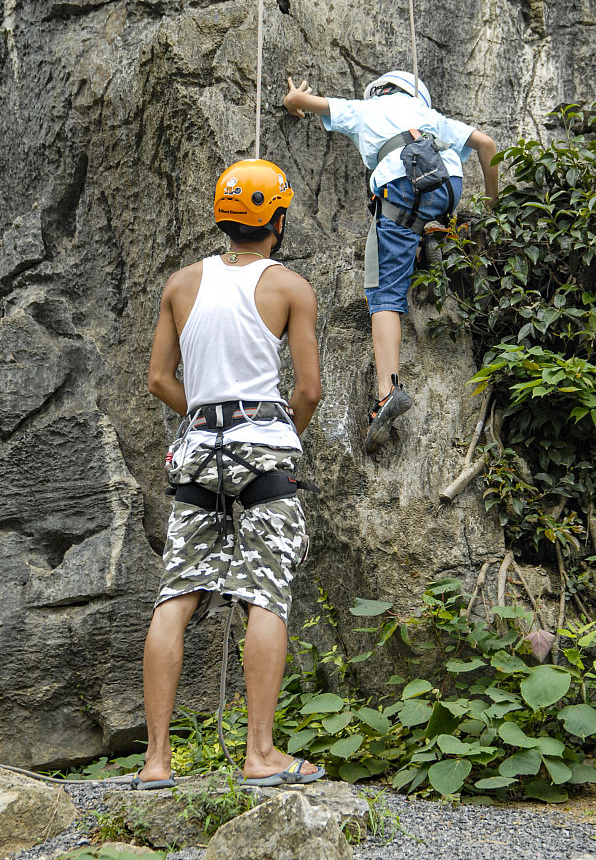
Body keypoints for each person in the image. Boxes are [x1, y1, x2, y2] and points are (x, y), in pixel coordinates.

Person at [135, 158, 323, 789]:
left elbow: (159, 379)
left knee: (176, 595)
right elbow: (309, 390)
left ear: (223, 216)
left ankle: (156, 761)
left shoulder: (181, 284)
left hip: (198, 448)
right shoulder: (289, 287)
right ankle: (260, 754)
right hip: (263, 444)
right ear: (277, 219)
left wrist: (208, 417)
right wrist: (274, 434)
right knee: (265, 591)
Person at [283, 69, 498, 453]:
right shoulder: (430, 116)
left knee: (383, 293)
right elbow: (487, 144)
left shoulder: (365, 109)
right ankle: (432, 232)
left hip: (401, 185)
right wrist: (494, 208)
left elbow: (302, 102)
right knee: (418, 219)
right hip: (447, 183)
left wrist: (293, 101)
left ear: (380, 91)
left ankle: (387, 393)